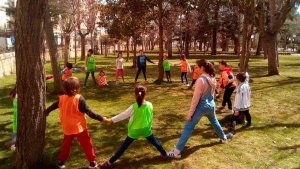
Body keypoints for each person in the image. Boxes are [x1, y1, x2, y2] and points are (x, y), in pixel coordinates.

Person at [167, 59, 231, 159]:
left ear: (202, 68)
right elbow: (212, 93)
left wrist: (190, 114)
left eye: (197, 67)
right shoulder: (212, 77)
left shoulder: (200, 80)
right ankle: (224, 138)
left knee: (188, 126)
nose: (195, 69)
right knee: (215, 121)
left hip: (202, 107)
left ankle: (177, 152)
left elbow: (195, 99)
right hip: (211, 105)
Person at [45, 77, 109, 169]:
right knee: (87, 144)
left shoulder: (62, 98)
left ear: (65, 89)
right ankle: (92, 162)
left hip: (67, 127)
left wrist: (47, 111)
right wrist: (101, 118)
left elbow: (53, 106)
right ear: (77, 88)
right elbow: (89, 112)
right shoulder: (79, 99)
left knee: (66, 144)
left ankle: (61, 162)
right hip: (80, 128)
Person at [100, 85, 167, 167]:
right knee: (155, 142)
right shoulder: (150, 105)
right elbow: (151, 116)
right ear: (145, 94)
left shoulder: (133, 107)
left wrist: (109, 120)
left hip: (134, 131)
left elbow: (122, 115)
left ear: (135, 95)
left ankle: (109, 162)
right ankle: (164, 153)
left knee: (123, 147)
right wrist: (150, 125)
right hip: (146, 129)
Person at [9, 86, 17, 151]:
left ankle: (13, 145)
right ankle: (13, 145)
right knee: (15, 134)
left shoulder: (16, 100)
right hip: (16, 121)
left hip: (17, 121)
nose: (10, 99)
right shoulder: (16, 100)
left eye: (11, 97)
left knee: (15, 134)